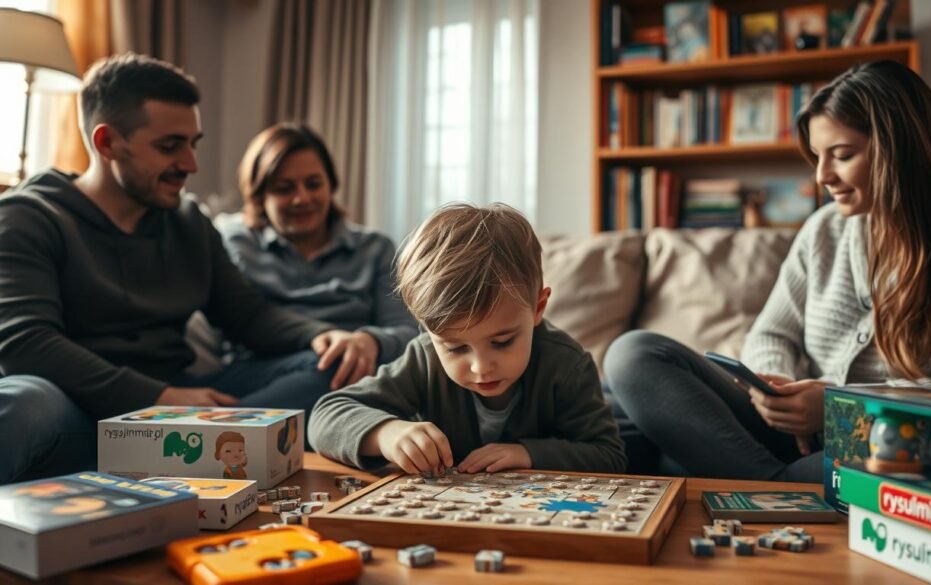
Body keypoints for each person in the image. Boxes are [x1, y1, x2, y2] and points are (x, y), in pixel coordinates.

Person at [604, 60, 931, 482]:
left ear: (900, 150)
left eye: (842, 156)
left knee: (643, 435)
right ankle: (775, 485)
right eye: (818, 157)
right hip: (795, 435)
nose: (823, 176)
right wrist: (776, 389)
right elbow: (770, 333)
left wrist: (842, 404)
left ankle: (759, 483)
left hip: (894, 440)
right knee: (632, 357)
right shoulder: (824, 230)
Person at [0, 54, 368, 484]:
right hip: (80, 406)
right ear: (106, 143)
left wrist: (320, 335)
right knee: (21, 402)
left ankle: (189, 447)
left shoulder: (189, 221)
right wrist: (159, 400)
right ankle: (202, 447)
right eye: (170, 146)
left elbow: (248, 315)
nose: (191, 164)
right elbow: (25, 342)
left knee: (333, 366)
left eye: (193, 143)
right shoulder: (28, 217)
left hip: (183, 395)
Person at [308, 203, 626, 475]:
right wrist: (385, 433)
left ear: (537, 308)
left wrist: (528, 454)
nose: (480, 367)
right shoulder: (424, 358)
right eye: (456, 347)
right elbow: (325, 416)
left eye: (502, 342)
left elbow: (610, 456)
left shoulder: (567, 363)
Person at [214, 123, 417, 387]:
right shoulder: (235, 242)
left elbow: (408, 332)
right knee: (328, 368)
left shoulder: (375, 248)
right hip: (260, 373)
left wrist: (370, 341)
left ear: (331, 186)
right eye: (284, 188)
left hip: (348, 372)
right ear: (260, 196)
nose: (301, 199)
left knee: (337, 366)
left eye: (313, 184)